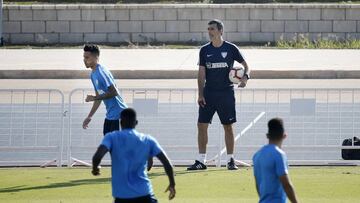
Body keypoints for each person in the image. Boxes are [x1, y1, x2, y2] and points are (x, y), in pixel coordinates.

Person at [187, 19, 250, 171]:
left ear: (221, 31)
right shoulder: (204, 50)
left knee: (227, 126)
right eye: (208, 29)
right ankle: (201, 161)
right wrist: (200, 94)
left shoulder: (231, 48)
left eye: (212, 29)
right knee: (202, 125)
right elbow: (201, 73)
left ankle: (230, 160)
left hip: (226, 93)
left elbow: (246, 66)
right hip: (209, 93)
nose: (209, 32)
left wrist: (245, 77)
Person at [92, 108, 176, 203]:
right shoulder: (148, 140)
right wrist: (172, 184)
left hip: (122, 197)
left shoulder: (111, 137)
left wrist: (95, 169)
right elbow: (166, 163)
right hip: (144, 194)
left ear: (121, 122)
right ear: (136, 122)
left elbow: (97, 156)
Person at [82, 44, 127, 135]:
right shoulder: (93, 74)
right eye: (84, 57)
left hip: (119, 115)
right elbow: (99, 97)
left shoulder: (101, 72)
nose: (84, 60)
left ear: (96, 57)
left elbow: (114, 92)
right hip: (110, 116)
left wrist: (94, 98)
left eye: (87, 57)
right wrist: (89, 116)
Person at [253, 118, 298, 203]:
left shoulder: (257, 155)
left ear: (267, 135)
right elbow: (286, 184)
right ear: (284, 135)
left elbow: (258, 185)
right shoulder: (279, 155)